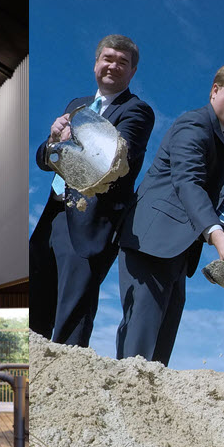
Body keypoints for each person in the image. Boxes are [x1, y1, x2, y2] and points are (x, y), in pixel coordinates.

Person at [113, 62, 224, 363]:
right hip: (152, 242)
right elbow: (187, 180)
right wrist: (215, 232)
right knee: (138, 346)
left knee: (160, 350)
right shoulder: (194, 124)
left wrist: (222, 227)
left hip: (178, 252)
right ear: (215, 90)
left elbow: (206, 193)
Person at [35, 35, 154, 348]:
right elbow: (44, 160)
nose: (113, 66)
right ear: (96, 63)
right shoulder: (77, 105)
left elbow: (113, 161)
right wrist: (52, 139)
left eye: (122, 62)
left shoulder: (137, 111)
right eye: (108, 58)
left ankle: (66, 387)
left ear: (132, 71)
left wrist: (69, 139)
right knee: (36, 304)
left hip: (90, 221)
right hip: (53, 213)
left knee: (71, 315)